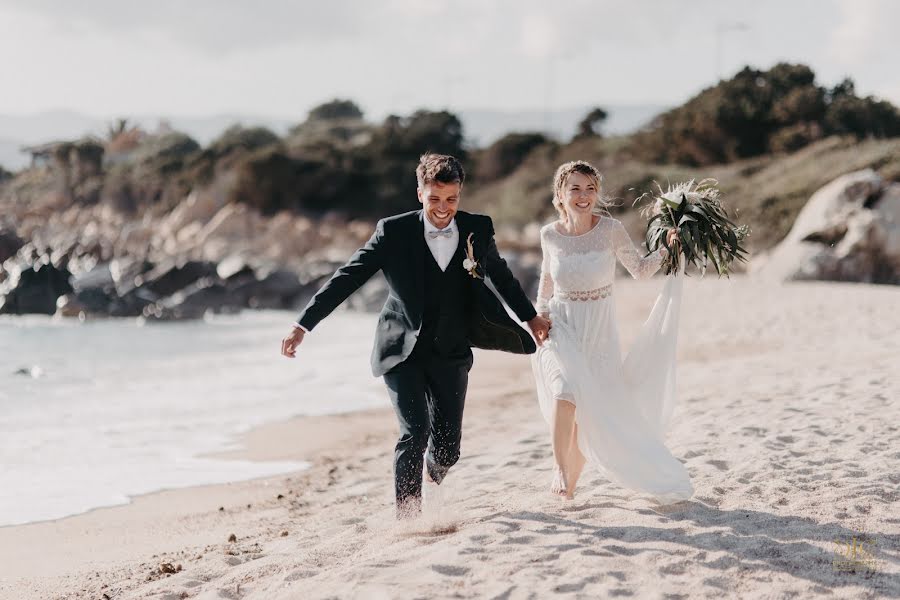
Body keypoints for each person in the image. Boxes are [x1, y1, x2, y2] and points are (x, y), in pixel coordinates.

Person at [282, 153, 552, 518]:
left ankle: (435, 468)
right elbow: (348, 277)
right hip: (401, 349)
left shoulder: (477, 228)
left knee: (447, 449)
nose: (443, 208)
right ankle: (408, 519)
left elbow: (501, 277)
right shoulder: (393, 232)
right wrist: (303, 325)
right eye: (435, 199)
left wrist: (530, 317)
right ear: (419, 193)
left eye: (451, 199)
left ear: (460, 194)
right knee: (415, 431)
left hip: (452, 350)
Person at [531, 160, 694, 503]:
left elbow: (640, 270)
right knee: (565, 392)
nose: (583, 196)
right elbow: (546, 281)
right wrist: (540, 316)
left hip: (599, 332)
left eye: (590, 189)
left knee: (588, 414)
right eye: (575, 188)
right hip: (562, 326)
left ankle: (569, 492)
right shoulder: (549, 234)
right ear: (560, 195)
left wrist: (668, 247)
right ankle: (559, 468)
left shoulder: (611, 230)